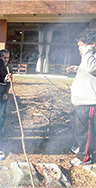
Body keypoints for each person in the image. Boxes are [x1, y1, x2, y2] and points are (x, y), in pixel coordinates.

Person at [66, 29, 96, 166]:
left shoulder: (90, 56)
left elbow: (91, 69)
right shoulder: (89, 58)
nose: (79, 49)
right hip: (80, 102)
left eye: (81, 45)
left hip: (89, 102)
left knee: (86, 130)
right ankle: (82, 147)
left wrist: (88, 50)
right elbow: (88, 70)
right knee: (78, 128)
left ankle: (85, 156)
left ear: (91, 44)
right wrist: (77, 68)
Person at [0, 49, 13, 126]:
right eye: (4, 58)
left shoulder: (9, 67)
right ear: (0, 57)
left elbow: (9, 83)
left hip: (4, 91)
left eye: (8, 58)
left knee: (3, 110)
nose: (6, 60)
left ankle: (1, 126)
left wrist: (6, 92)